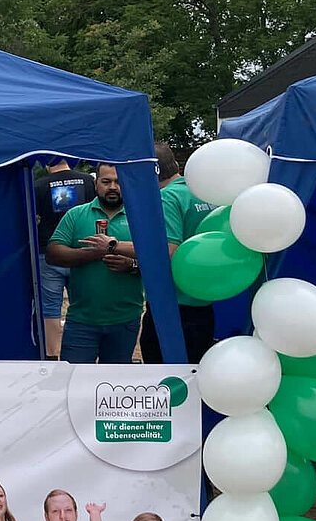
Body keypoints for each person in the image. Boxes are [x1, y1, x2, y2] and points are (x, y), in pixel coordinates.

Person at [46, 164, 143, 364]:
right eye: (106, 181)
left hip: (125, 319)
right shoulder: (76, 214)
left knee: (114, 387)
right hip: (82, 320)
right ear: (96, 184)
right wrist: (92, 254)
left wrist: (131, 266)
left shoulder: (140, 217)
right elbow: (53, 254)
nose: (113, 187)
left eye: (118, 182)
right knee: (73, 383)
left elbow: (158, 257)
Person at [139, 143, 217, 364]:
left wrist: (113, 246)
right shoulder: (200, 193)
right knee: (195, 377)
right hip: (203, 301)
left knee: (163, 381)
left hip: (171, 306)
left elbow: (169, 250)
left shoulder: (167, 198)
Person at [34, 158, 96, 358]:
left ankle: (52, 354)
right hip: (82, 250)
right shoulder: (87, 181)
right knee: (84, 302)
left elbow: (34, 218)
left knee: (50, 307)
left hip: (48, 251)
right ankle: (85, 351)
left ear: (46, 164)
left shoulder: (39, 185)